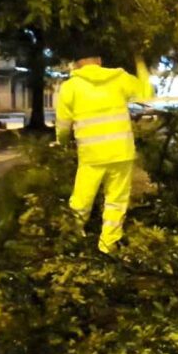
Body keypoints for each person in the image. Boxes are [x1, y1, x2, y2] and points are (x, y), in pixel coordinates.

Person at [56, 52, 153, 254]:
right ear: (99, 61)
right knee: (116, 201)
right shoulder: (120, 78)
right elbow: (146, 93)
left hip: (91, 155)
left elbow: (63, 125)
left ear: (76, 65)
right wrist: (140, 62)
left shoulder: (70, 87)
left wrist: (63, 142)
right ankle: (108, 245)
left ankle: (73, 239)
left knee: (82, 199)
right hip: (121, 151)